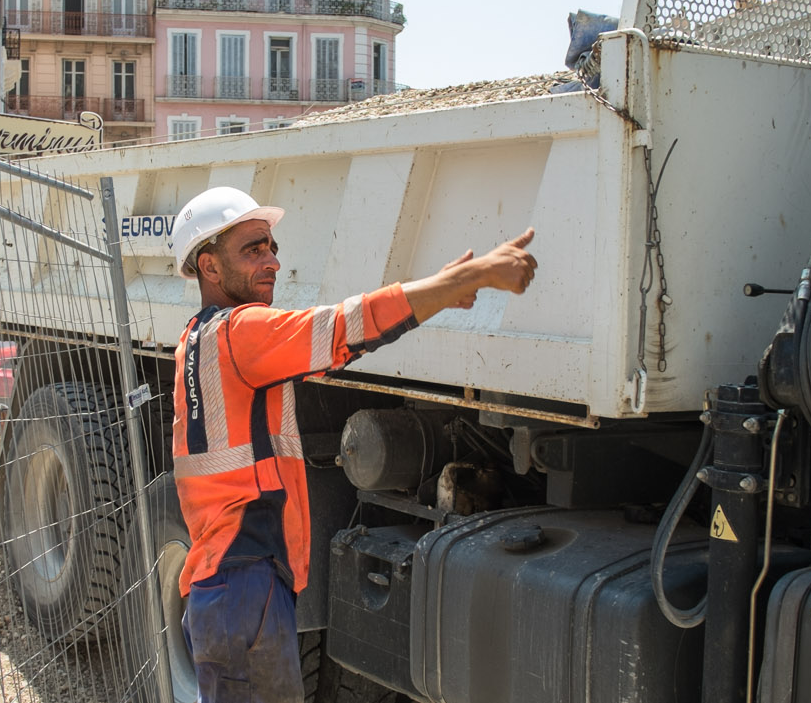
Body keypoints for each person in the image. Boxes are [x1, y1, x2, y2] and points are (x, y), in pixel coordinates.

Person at [166, 186, 538, 702]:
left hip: (225, 583)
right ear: (209, 266)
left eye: (272, 246)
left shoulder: (196, 338)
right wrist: (459, 279)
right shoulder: (241, 332)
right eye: (253, 249)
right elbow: (345, 326)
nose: (272, 260)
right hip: (243, 579)